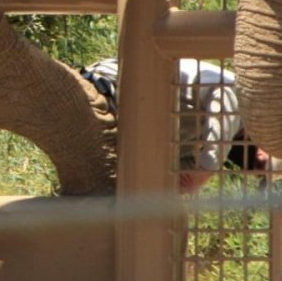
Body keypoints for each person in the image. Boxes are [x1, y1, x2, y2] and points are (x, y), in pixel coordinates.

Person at [79, 56, 261, 192]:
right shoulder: (241, 101)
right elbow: (226, 92)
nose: (255, 169)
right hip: (102, 92)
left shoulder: (203, 144)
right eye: (261, 165)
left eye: (260, 173)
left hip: (113, 131)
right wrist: (207, 168)